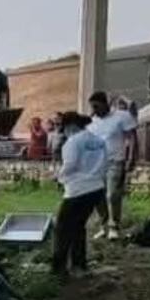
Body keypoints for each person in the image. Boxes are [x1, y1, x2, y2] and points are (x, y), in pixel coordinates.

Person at [52, 112, 108, 277]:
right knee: (78, 227)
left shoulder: (73, 142)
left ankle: (59, 269)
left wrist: (57, 176)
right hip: (96, 189)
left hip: (77, 191)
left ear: (71, 126)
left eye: (63, 128)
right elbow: (105, 163)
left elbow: (70, 165)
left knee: (62, 228)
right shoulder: (99, 141)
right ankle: (79, 265)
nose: (63, 132)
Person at [87, 91, 138, 240]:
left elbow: (132, 138)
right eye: (92, 107)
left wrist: (131, 158)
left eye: (96, 106)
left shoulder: (121, 116)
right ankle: (104, 226)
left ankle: (114, 226)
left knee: (112, 194)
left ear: (105, 104)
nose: (94, 110)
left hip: (115, 161)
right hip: (96, 164)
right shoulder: (91, 122)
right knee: (97, 196)